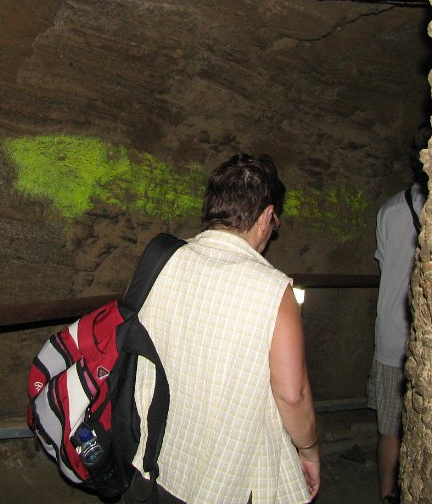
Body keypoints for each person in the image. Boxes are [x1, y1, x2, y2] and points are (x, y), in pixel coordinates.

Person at [127, 154, 319, 504]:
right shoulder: (274, 290)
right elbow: (293, 395)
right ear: (265, 218)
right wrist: (308, 450)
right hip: (222, 480)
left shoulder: (164, 259)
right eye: (274, 223)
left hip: (152, 462)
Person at [367, 123, 432, 503]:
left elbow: (384, 265)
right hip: (428, 343)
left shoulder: (390, 210)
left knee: (389, 430)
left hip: (392, 336)